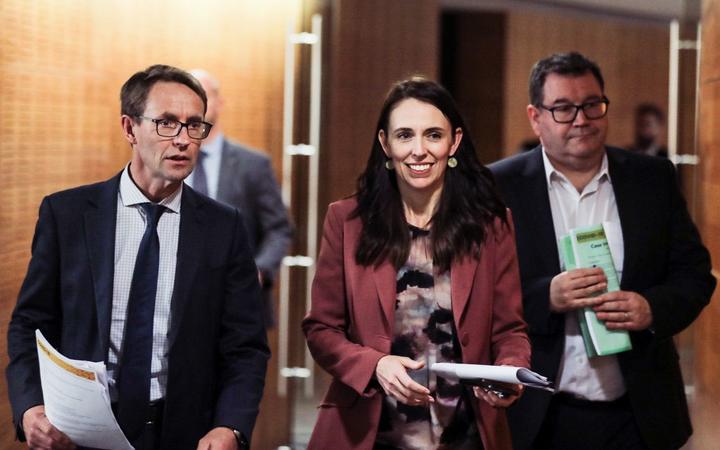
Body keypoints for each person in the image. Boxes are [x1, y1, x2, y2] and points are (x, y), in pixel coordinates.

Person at [6, 64, 269, 450]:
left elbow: (245, 346)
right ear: (129, 128)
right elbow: (30, 323)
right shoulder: (67, 215)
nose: (183, 139)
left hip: (184, 432)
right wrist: (29, 407)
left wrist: (230, 426)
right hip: (80, 433)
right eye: (166, 123)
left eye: (194, 125)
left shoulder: (223, 227)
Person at [488, 52, 715, 450]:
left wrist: (651, 308)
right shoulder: (498, 186)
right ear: (535, 116)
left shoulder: (652, 179)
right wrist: (547, 296)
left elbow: (694, 273)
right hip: (536, 415)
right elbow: (475, 290)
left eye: (592, 104)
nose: (581, 119)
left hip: (638, 413)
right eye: (562, 108)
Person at [302, 78, 531, 450]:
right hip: (370, 432)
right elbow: (322, 329)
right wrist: (374, 365)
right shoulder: (346, 221)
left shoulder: (491, 225)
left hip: (466, 434)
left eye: (433, 135)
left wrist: (509, 369)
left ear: (453, 142)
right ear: (385, 144)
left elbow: (510, 329)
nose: (419, 150)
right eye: (405, 135)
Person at [186, 69, 293, 326]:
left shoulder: (252, 165)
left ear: (220, 102)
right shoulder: (169, 162)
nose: (197, 103)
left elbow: (279, 229)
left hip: (238, 303)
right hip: (180, 301)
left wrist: (259, 269)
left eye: (204, 94)